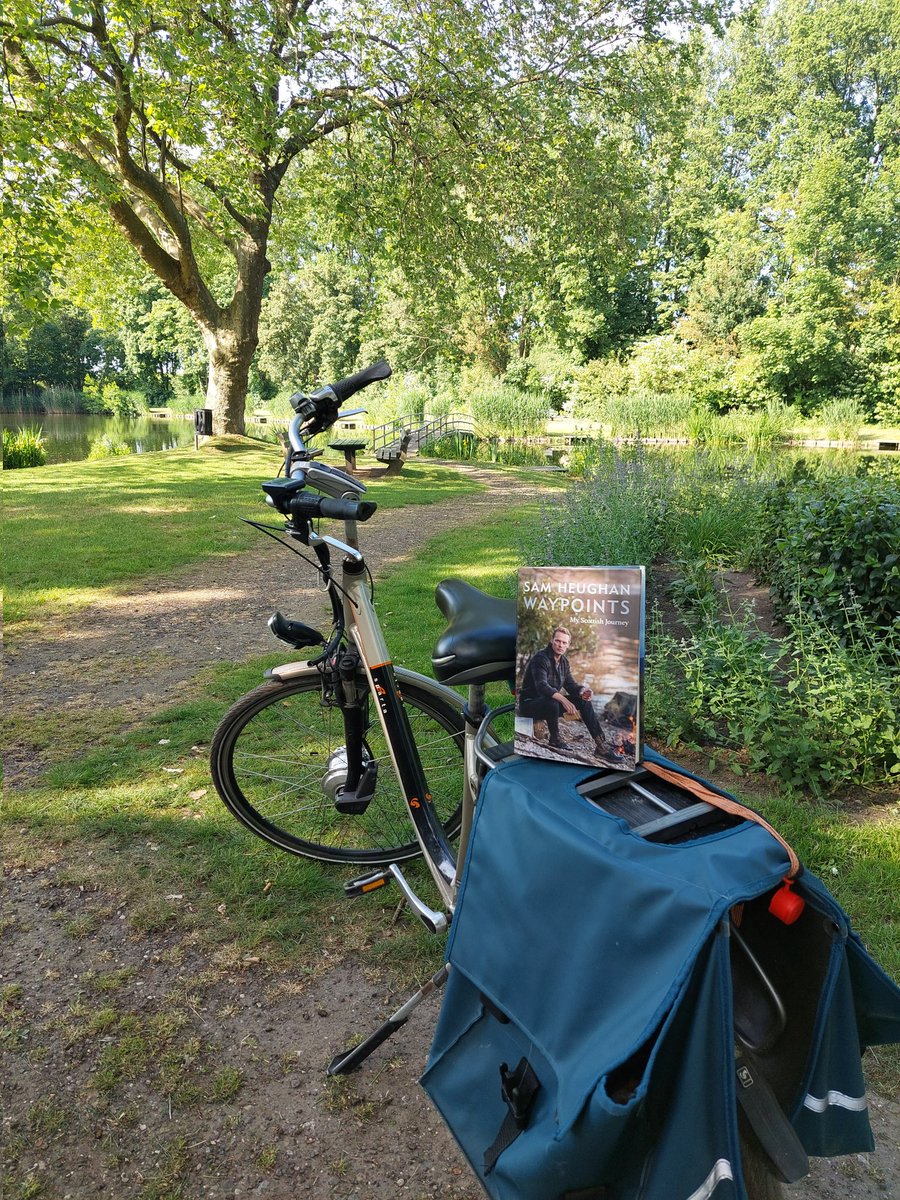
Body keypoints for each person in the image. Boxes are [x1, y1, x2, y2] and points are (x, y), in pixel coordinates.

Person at [517, 626, 608, 758]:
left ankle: (601, 746)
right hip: (529, 705)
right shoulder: (540, 658)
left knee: (584, 702)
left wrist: (583, 691)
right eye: (558, 641)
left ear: (568, 645)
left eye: (564, 642)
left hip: (549, 707)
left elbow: (571, 685)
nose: (560, 645)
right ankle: (555, 738)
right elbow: (542, 686)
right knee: (552, 701)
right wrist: (564, 700)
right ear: (552, 640)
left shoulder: (564, 662)